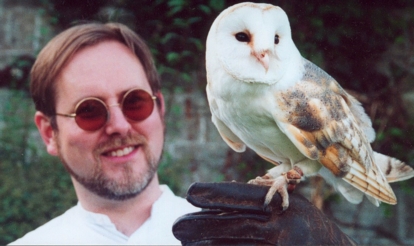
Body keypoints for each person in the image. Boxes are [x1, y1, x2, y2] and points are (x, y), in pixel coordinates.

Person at [10, 22, 200, 245]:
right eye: (89, 111)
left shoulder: (234, 237)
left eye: (134, 102)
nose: (119, 125)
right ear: (49, 132)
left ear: (159, 108)